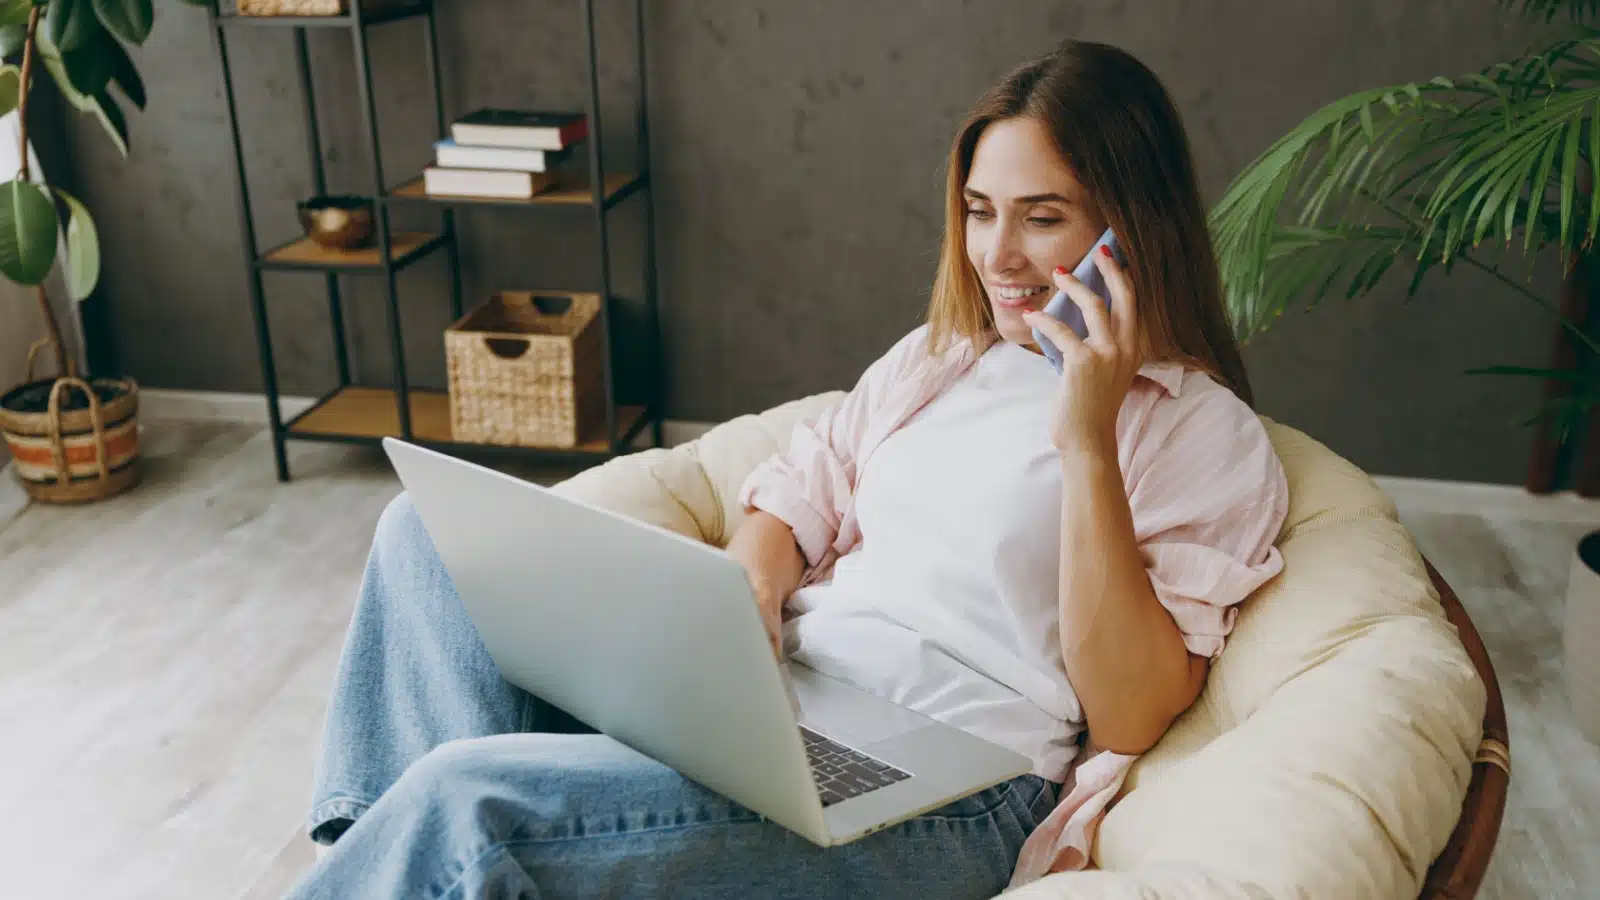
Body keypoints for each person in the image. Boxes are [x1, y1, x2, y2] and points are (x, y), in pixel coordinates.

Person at [289, 38, 1288, 900]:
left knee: (469, 797)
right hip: (776, 712)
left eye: (1042, 216)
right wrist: (745, 599)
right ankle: (388, 864)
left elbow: (1127, 710)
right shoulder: (942, 358)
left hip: (946, 791)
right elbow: (799, 483)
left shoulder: (1202, 434)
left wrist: (1085, 437)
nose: (998, 255)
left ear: (1130, 223)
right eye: (981, 211)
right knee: (421, 541)